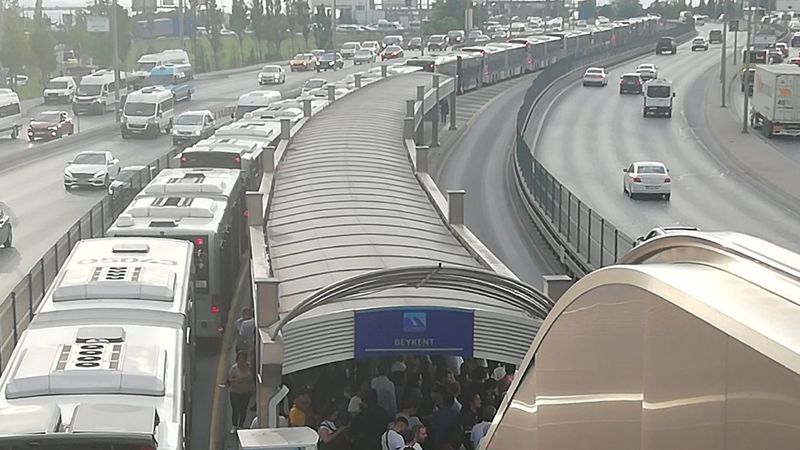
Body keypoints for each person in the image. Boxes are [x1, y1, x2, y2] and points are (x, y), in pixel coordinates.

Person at [226, 351, 255, 434]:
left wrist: (252, 389)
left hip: (245, 393)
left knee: (243, 409)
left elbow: (251, 380)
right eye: (239, 359)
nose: (241, 361)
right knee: (235, 409)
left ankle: (241, 425)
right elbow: (229, 380)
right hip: (235, 392)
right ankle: (234, 425)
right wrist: (236, 380)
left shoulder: (249, 368)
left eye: (242, 359)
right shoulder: (234, 369)